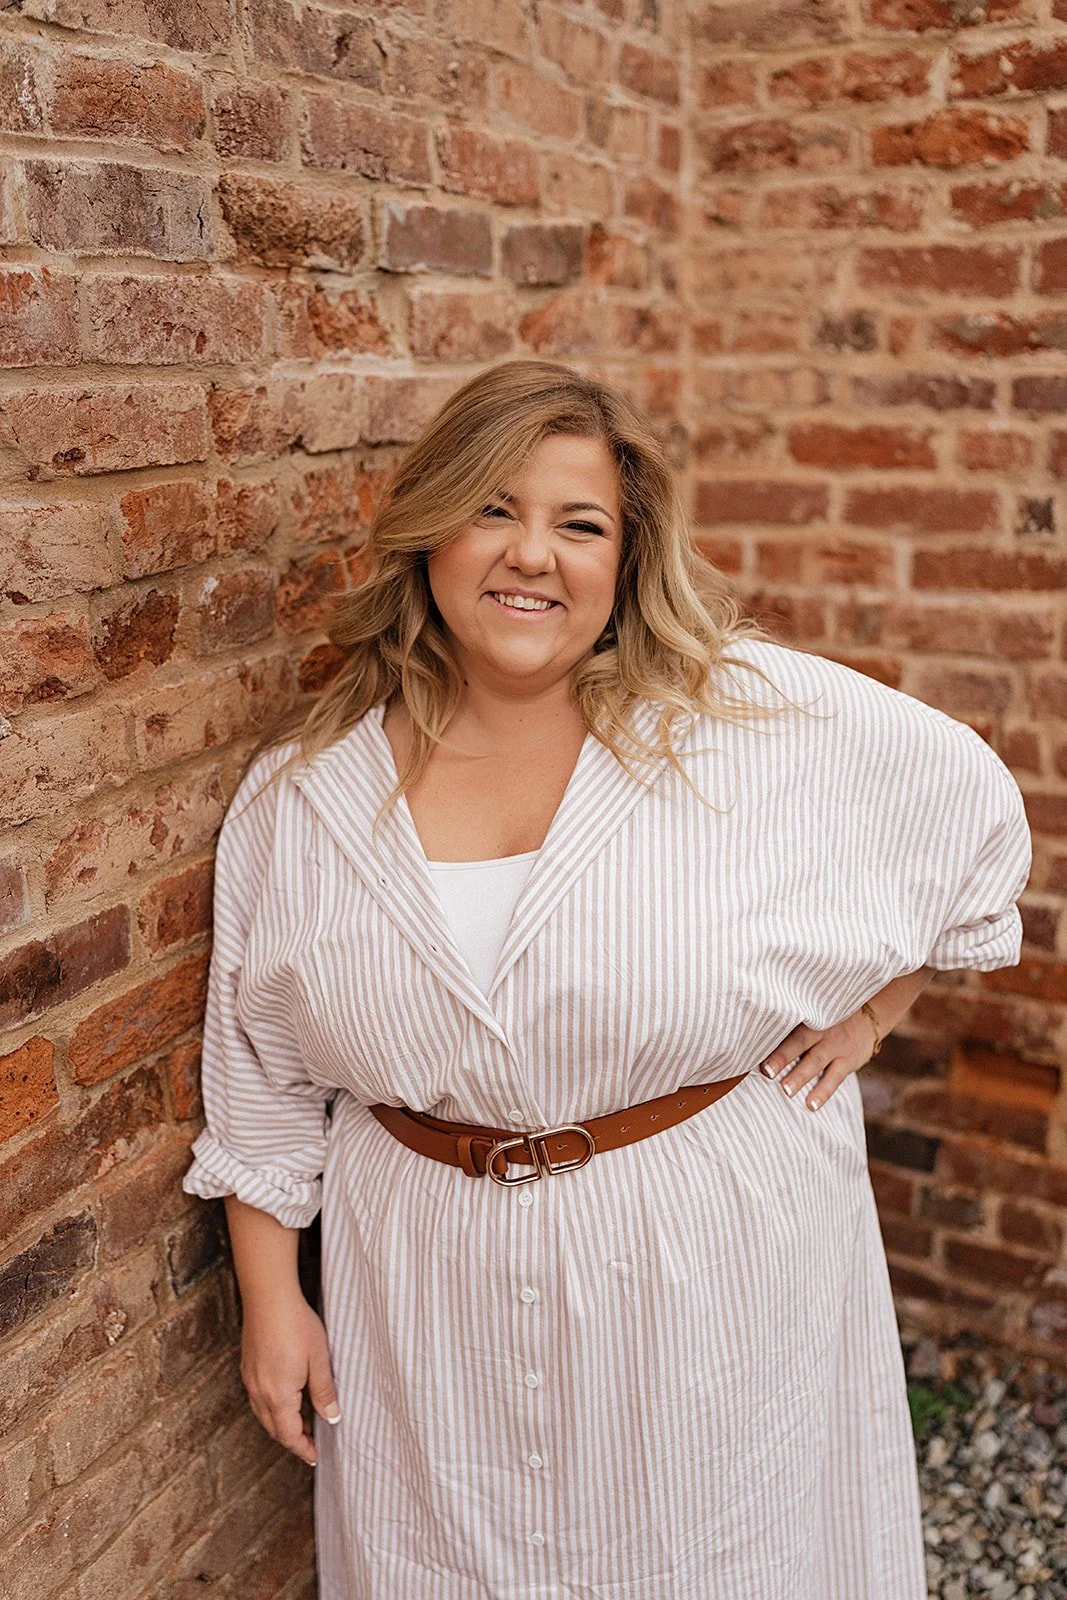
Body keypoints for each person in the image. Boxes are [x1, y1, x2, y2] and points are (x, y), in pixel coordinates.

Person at [183, 358, 1032, 1599]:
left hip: (708, 1262)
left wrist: (868, 1010)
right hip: (423, 1296)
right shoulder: (303, 794)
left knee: (726, 1560)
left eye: (578, 525)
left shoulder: (733, 723)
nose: (532, 554)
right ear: (429, 533)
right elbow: (258, 1083)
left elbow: (964, 813)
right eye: (493, 509)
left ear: (625, 561)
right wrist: (273, 1297)